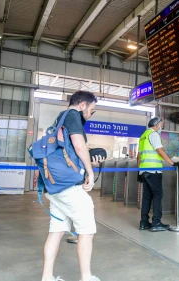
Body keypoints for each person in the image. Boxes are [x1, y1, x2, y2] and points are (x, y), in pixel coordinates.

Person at [40, 91, 101, 281]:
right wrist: (90, 172)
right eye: (91, 110)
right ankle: (86, 277)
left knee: (56, 232)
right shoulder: (74, 115)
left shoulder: (60, 118)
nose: (91, 115)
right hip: (69, 188)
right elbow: (79, 145)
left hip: (55, 188)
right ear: (82, 105)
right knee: (87, 231)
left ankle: (47, 277)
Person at [137, 116, 179, 232]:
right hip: (153, 170)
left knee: (147, 197)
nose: (161, 127)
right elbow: (160, 151)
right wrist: (172, 163)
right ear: (156, 125)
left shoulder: (143, 136)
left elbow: (139, 155)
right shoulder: (154, 134)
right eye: (160, 125)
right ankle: (156, 222)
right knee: (157, 195)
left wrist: (139, 171)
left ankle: (144, 222)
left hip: (144, 170)